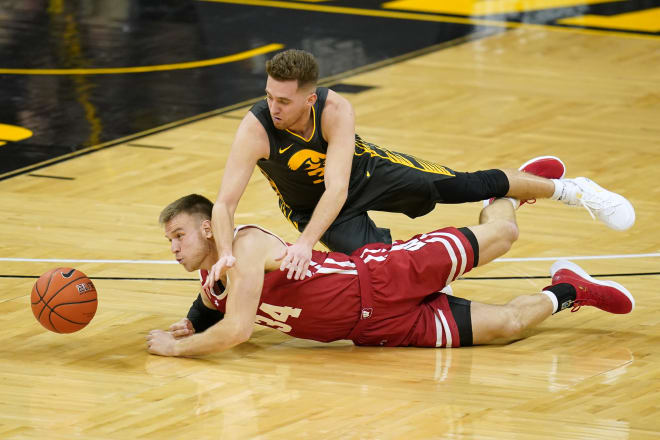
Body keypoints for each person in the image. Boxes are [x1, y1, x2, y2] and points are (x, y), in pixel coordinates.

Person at [205, 48, 635, 288]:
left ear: (310, 99)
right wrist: (225, 253)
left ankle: (572, 190)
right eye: (269, 96)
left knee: (461, 185)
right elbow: (224, 205)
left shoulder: (336, 109)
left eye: (283, 100)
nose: (273, 107)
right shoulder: (256, 129)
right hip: (313, 208)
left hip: (366, 175)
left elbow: (337, 186)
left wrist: (304, 245)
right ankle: (437, 280)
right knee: (379, 267)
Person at [146, 192, 634, 357]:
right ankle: (570, 287)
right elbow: (212, 308)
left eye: (179, 236)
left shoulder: (246, 247)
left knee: (504, 236)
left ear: (210, 228)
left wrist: (178, 348)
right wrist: (191, 324)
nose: (173, 249)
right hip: (374, 327)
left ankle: (503, 194)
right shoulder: (211, 280)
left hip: (381, 276)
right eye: (169, 241)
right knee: (507, 327)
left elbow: (237, 329)